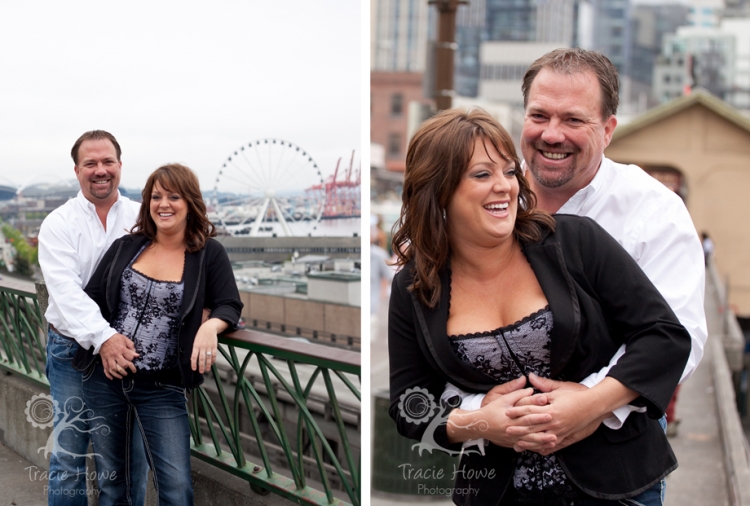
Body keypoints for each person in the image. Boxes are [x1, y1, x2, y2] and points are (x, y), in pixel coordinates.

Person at [388, 108, 691, 505]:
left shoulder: (576, 241)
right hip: (496, 494)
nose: (505, 187)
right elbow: (408, 405)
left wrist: (590, 404)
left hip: (618, 486)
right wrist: (480, 422)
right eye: (482, 175)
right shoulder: (414, 286)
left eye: (510, 172)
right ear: (439, 191)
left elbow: (665, 336)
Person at [457, 48, 706, 456]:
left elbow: (682, 336)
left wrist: (588, 403)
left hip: (616, 458)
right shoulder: (482, 195)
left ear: (608, 130)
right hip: (495, 460)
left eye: (573, 119)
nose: (552, 134)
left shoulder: (653, 210)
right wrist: (479, 411)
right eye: (539, 116)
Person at [74, 163, 243, 506]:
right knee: (113, 486)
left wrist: (210, 325)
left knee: (177, 489)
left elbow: (230, 304)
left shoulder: (209, 253)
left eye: (174, 196)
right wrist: (104, 341)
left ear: (190, 202)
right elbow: (89, 298)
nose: (163, 204)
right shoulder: (127, 246)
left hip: (162, 387)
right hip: (106, 379)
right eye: (156, 196)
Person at [38, 130, 148, 505]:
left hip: (128, 354)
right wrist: (105, 338)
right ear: (77, 170)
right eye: (91, 164)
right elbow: (66, 293)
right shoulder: (58, 223)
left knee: (125, 460)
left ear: (119, 166)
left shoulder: (141, 216)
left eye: (108, 162)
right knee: (69, 454)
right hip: (72, 352)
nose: (100, 170)